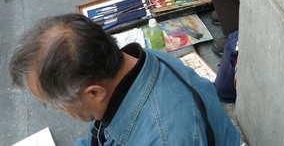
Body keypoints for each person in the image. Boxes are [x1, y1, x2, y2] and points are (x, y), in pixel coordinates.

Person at [9, 13, 240, 146]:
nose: (58, 110)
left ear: (94, 93)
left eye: (55, 104)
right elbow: (98, 135)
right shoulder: (129, 64)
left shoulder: (164, 138)